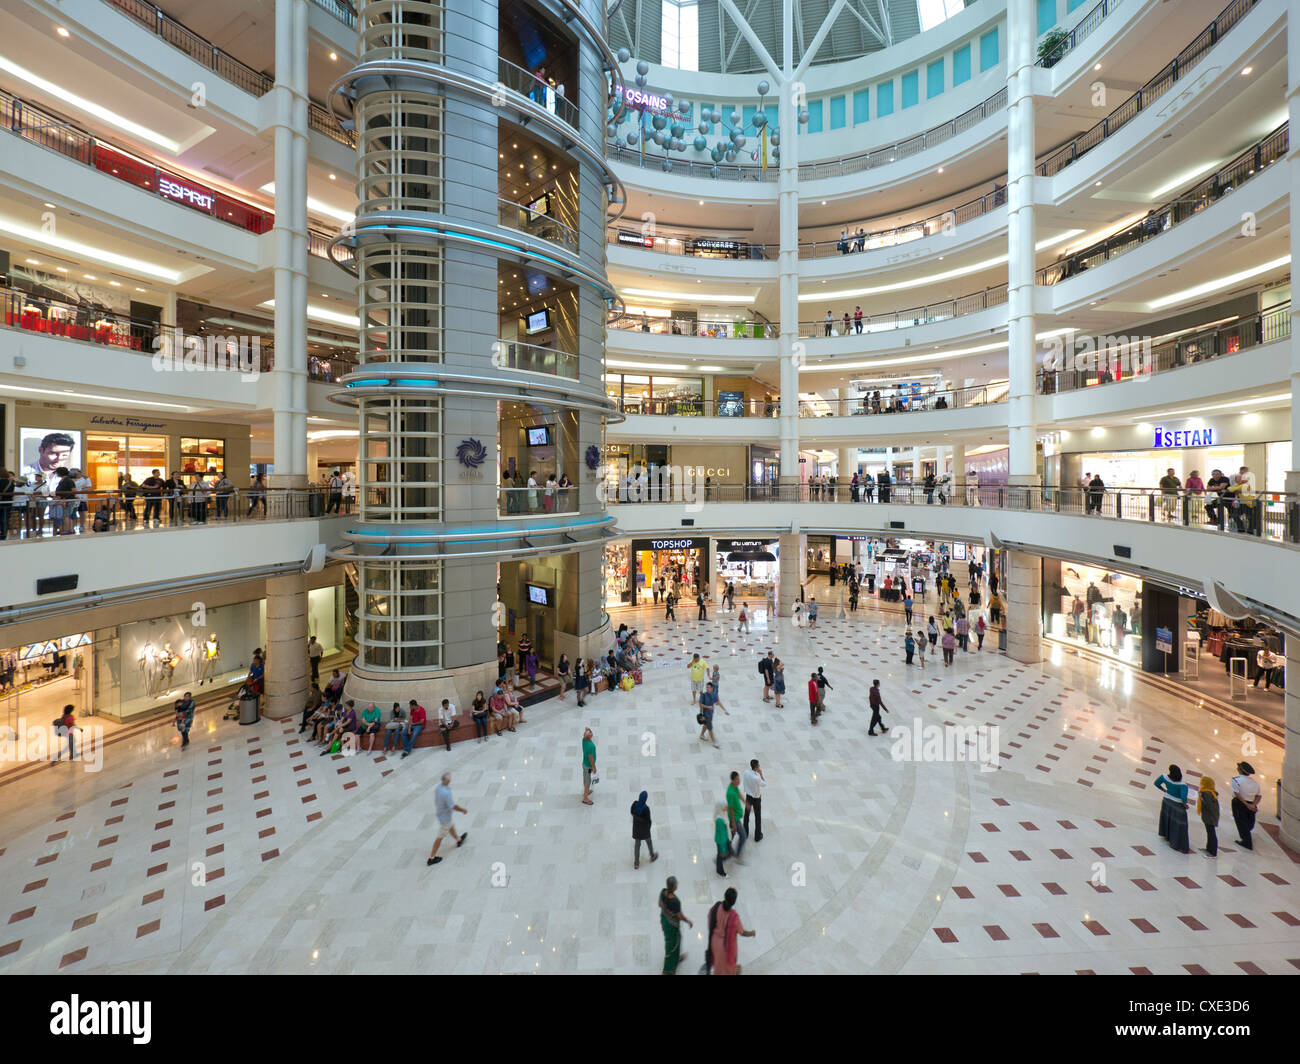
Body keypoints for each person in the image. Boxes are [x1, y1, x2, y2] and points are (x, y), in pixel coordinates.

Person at [707, 887, 754, 974]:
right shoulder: (734, 917)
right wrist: (752, 933)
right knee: (729, 967)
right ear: (734, 902)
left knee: (718, 965)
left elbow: (709, 917)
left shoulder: (716, 907)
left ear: (724, 896)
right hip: (727, 947)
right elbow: (742, 932)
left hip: (715, 942)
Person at [426, 772, 467, 865]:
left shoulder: (438, 788)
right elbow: (453, 806)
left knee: (451, 826)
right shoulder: (446, 793)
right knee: (440, 837)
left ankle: (458, 840)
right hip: (445, 818)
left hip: (442, 814)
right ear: (449, 780)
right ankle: (431, 858)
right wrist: (462, 810)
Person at [658, 877, 693, 975]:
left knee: (676, 943)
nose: (677, 884)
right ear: (673, 887)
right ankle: (667, 971)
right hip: (672, 926)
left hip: (664, 920)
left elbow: (659, 904)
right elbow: (680, 916)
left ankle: (676, 958)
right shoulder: (675, 901)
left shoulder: (663, 892)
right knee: (671, 947)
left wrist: (667, 912)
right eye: (676, 884)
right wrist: (688, 921)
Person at [1154, 764, 1192, 853]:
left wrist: (1164, 790)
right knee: (1179, 825)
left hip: (1166, 801)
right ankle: (1176, 843)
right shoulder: (1183, 785)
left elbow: (1156, 783)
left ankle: (1166, 835)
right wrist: (1185, 804)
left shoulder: (1164, 777)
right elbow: (1183, 797)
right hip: (1177, 805)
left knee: (1167, 819)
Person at [1230, 762, 1261, 850]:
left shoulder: (1236, 780)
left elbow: (1237, 793)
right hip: (1251, 805)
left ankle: (1246, 842)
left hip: (1240, 804)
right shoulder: (1255, 783)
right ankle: (1246, 837)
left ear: (1240, 770)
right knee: (1249, 822)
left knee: (1241, 822)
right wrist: (1253, 805)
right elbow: (1259, 796)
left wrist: (1246, 804)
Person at [630, 790, 658, 868]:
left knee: (637, 845)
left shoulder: (634, 805)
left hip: (636, 830)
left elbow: (632, 812)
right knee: (649, 842)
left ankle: (636, 863)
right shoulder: (646, 809)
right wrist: (648, 828)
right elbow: (648, 821)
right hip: (645, 831)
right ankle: (652, 856)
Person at [726, 771, 747, 863]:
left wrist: (745, 803)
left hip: (737, 816)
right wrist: (734, 823)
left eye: (739, 778)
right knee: (743, 836)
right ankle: (737, 856)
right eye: (737, 779)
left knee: (732, 835)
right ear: (733, 780)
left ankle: (727, 850)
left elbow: (738, 793)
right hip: (734, 819)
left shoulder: (734, 787)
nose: (739, 781)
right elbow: (730, 809)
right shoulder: (730, 793)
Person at [742, 759, 765, 842]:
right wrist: (761, 774)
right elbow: (764, 784)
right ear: (757, 767)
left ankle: (745, 833)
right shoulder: (757, 777)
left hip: (748, 796)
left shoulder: (746, 773)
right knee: (757, 817)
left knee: (746, 815)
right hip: (756, 798)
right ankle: (757, 835)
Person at [1197, 775, 1220, 858]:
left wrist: (1201, 797)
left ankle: (1213, 853)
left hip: (1210, 817)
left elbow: (1209, 806)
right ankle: (1208, 848)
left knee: (1211, 834)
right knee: (1209, 833)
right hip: (1210, 817)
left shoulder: (1207, 793)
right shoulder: (1210, 792)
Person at [698, 682, 725, 748]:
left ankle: (701, 735)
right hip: (706, 715)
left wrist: (724, 709)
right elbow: (700, 704)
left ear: (712, 688)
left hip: (711, 714)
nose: (707, 688)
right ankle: (714, 742)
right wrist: (708, 707)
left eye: (709, 687)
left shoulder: (714, 695)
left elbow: (717, 702)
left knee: (705, 725)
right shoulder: (703, 695)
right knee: (710, 728)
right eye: (706, 687)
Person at [713, 803, 732, 878]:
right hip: (722, 841)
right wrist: (723, 848)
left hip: (724, 839)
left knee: (722, 855)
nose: (726, 808)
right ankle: (721, 872)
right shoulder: (720, 820)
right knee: (720, 855)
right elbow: (721, 834)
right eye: (725, 807)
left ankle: (719, 865)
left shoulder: (721, 814)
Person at [581, 727, 597, 806]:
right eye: (589, 732)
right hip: (588, 766)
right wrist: (594, 767)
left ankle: (586, 791)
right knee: (588, 781)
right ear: (590, 736)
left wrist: (587, 730)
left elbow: (585, 734)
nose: (590, 731)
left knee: (585, 778)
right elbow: (591, 758)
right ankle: (585, 798)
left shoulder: (584, 740)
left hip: (584, 764)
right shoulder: (591, 746)